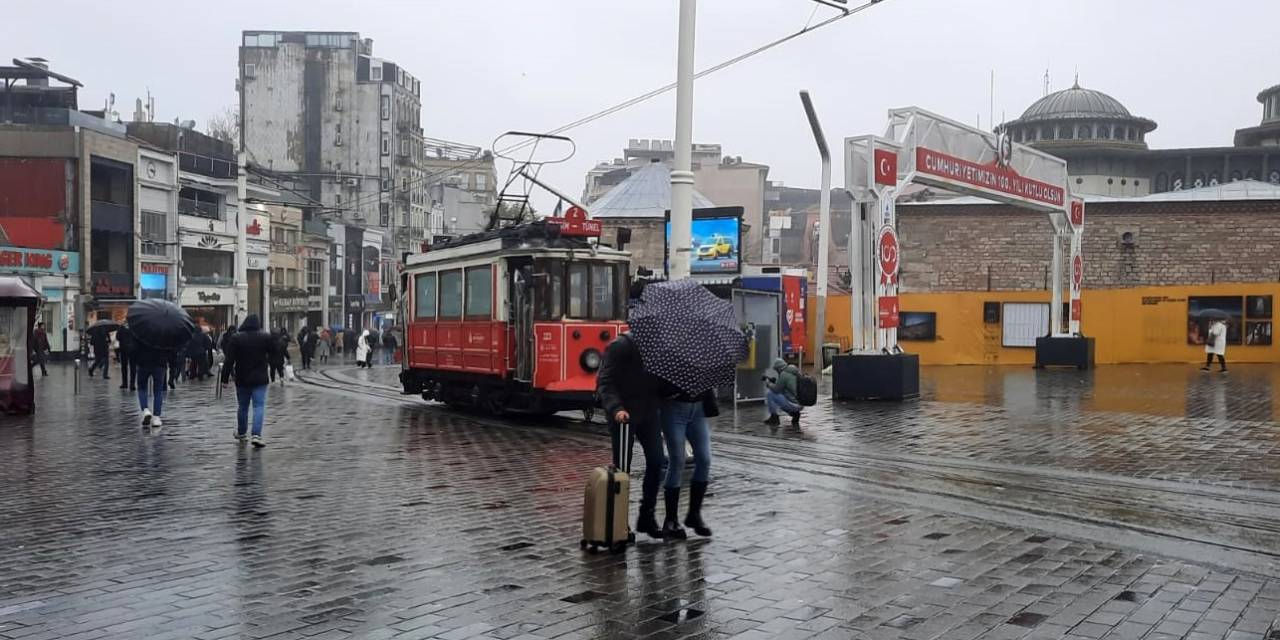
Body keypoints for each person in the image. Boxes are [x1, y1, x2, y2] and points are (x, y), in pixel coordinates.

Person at [597, 331, 667, 540]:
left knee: (657, 461)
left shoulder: (660, 349)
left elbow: (660, 384)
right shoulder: (620, 346)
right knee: (622, 469)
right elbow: (605, 382)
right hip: (623, 415)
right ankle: (620, 522)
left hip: (648, 412)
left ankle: (647, 517)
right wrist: (616, 409)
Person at [658, 382, 717, 539]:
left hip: (697, 409)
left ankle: (694, 515)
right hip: (673, 408)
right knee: (677, 461)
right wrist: (674, 390)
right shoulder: (665, 366)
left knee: (704, 459)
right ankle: (671, 520)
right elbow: (656, 386)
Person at [220, 314, 278, 447]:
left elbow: (229, 360)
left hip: (242, 377)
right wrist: (268, 362)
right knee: (259, 406)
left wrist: (225, 378)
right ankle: (256, 435)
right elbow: (275, 351)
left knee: (243, 407)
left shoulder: (236, 338)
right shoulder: (265, 337)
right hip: (260, 378)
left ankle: (242, 433)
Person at [132, 331, 173, 428]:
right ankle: (156, 417)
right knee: (158, 391)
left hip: (143, 363)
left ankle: (145, 409)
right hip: (160, 363)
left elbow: (134, 348)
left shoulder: (140, 331)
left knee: (142, 388)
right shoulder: (164, 332)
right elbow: (169, 349)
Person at [764, 358, 802, 427]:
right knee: (780, 399)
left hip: (793, 404)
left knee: (770, 394)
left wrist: (768, 384)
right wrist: (775, 383)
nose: (777, 372)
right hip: (800, 403)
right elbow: (787, 388)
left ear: (779, 368)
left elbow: (776, 390)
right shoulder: (794, 372)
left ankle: (774, 417)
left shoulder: (784, 374)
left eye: (777, 370)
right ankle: (795, 414)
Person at [116, 324, 137, 391]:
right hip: (133, 350)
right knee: (133, 367)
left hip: (123, 349)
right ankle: (132, 384)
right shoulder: (134, 327)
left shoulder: (121, 328)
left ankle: (125, 383)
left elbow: (117, 337)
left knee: (124, 367)